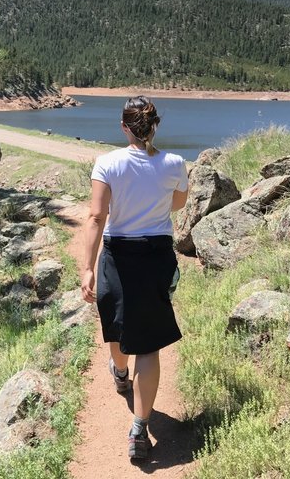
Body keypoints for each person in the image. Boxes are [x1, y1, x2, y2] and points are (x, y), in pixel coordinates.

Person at [80, 95, 189, 461]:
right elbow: (177, 204)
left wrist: (88, 268)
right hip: (156, 255)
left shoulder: (107, 163)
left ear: (124, 126)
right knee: (148, 343)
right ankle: (139, 429)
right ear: (155, 126)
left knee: (116, 326)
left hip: (117, 254)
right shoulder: (175, 163)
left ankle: (120, 372)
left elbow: (97, 217)